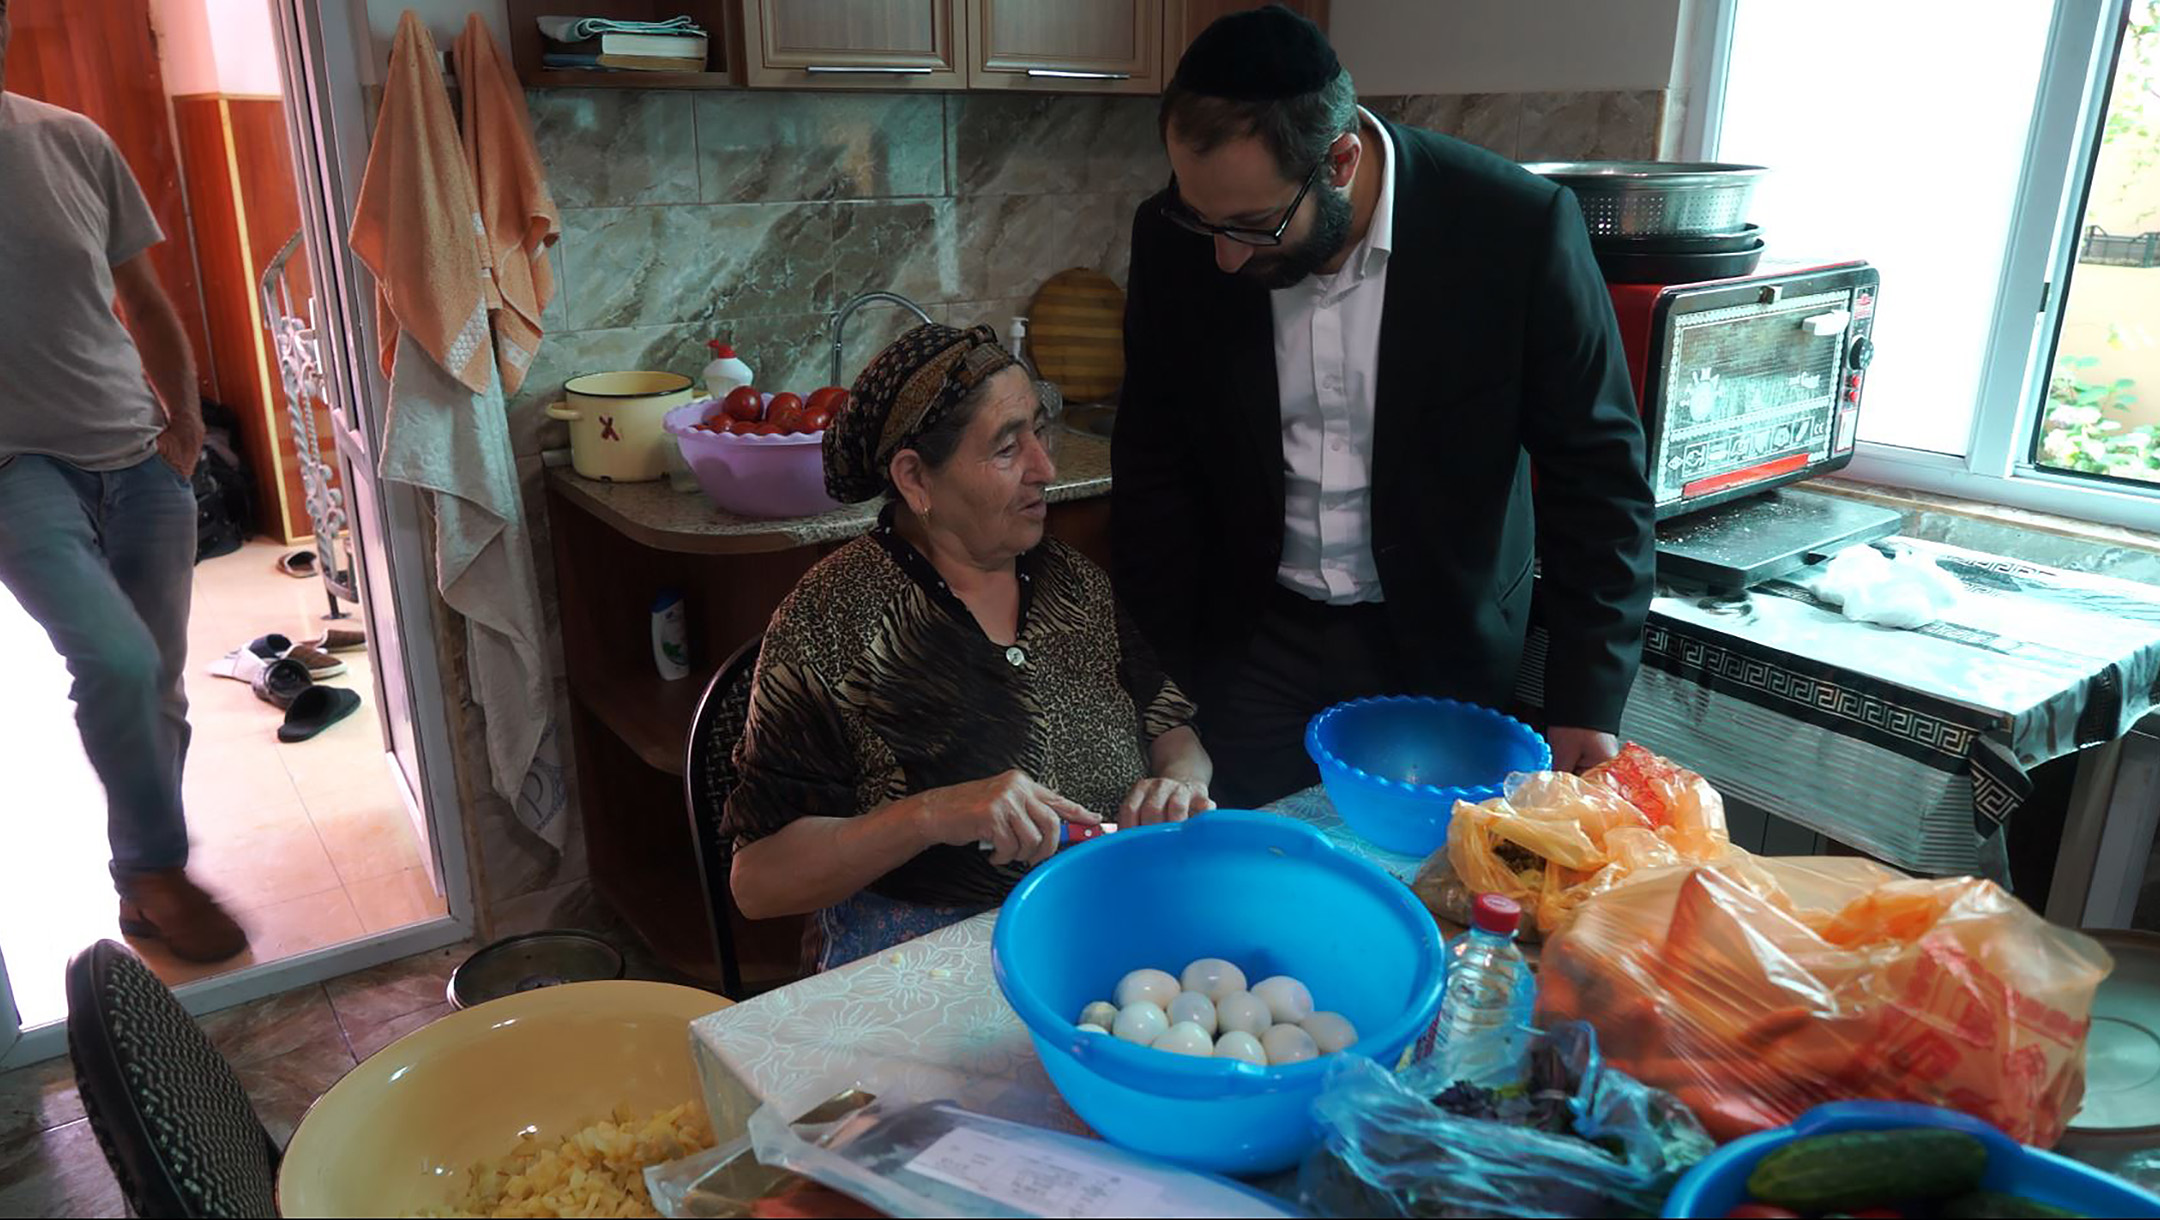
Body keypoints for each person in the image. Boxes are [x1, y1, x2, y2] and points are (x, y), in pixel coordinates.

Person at [1112, 6, 1656, 808]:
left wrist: (1585, 695)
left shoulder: (1514, 229)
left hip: (1442, 649)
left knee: (1434, 886)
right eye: (1206, 221)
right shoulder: (1178, 239)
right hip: (1251, 643)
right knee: (1260, 873)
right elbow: (1154, 466)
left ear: (1339, 160)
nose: (1222, 257)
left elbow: (1598, 474)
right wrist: (1164, 688)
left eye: (1252, 227)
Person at [723, 322, 1215, 969]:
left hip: (1105, 920)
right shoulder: (833, 616)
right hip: (933, 959)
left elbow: (1171, 728)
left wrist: (1178, 782)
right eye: (1008, 449)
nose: (1046, 468)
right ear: (915, 479)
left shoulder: (1071, 580)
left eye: (1040, 432)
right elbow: (757, 883)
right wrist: (929, 814)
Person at [0, 0, 247, 963]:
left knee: (163, 688)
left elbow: (142, 299)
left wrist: (183, 424)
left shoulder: (70, 141)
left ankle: (143, 889)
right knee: (117, 662)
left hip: (137, 451)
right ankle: (155, 869)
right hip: (16, 467)